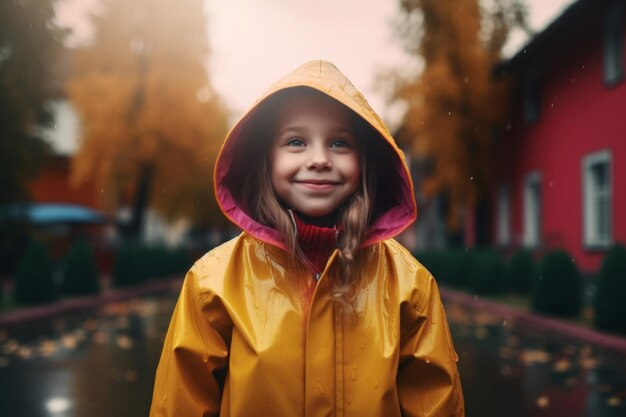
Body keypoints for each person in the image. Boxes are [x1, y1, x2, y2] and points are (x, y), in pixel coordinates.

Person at [149, 60, 464, 417]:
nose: (318, 159)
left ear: (365, 160)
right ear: (265, 158)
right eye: (296, 141)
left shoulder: (410, 286)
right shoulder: (213, 284)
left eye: (340, 143)